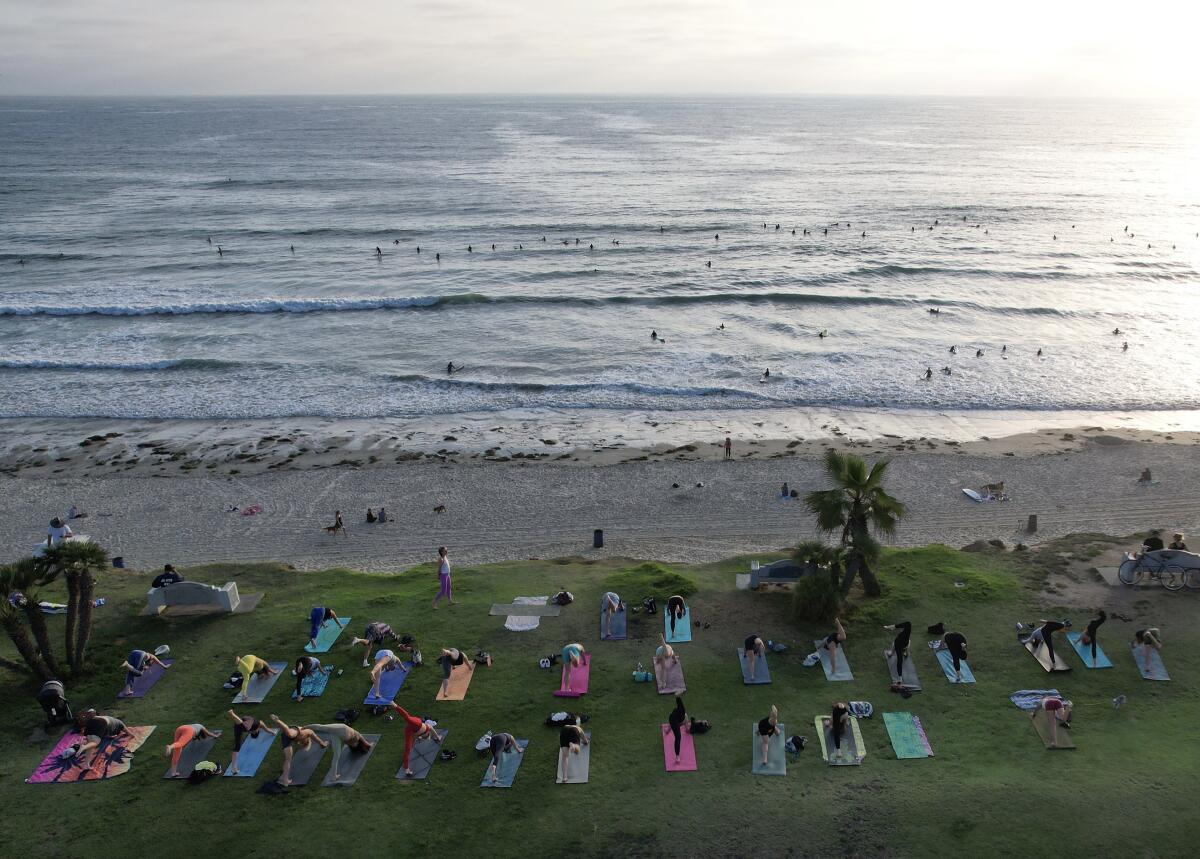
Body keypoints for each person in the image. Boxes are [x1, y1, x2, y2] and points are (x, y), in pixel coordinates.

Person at [270, 714, 326, 786]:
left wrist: (322, 744)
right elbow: (317, 739)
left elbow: (299, 741)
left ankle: (285, 780)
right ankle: (277, 720)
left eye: (302, 743)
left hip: (286, 737)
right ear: (307, 740)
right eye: (304, 743)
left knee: (288, 759)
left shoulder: (300, 740)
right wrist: (323, 743)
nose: (301, 743)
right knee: (290, 734)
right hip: (294, 730)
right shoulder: (308, 732)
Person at [307, 722, 374, 780]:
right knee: (322, 727)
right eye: (355, 745)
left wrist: (368, 744)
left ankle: (333, 776)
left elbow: (362, 742)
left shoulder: (355, 739)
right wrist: (369, 745)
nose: (353, 745)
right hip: (341, 731)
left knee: (336, 755)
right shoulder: (357, 736)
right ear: (359, 744)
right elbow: (364, 741)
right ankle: (334, 776)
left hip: (339, 732)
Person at [390, 704, 441, 777]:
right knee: (407, 718)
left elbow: (408, 749)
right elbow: (406, 716)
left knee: (408, 749)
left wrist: (436, 737)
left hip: (411, 731)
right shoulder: (425, 727)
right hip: (417, 724)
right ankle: (393, 704)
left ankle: (406, 769)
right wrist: (437, 737)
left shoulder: (413, 735)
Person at [226, 709, 277, 775]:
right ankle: (232, 714)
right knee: (242, 730)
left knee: (237, 745)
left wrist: (272, 732)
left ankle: (233, 768)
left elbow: (266, 729)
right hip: (247, 721)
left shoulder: (259, 724)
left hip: (243, 722)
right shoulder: (257, 724)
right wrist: (272, 732)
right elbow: (266, 729)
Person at [665, 696, 688, 764]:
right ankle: (677, 756)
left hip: (674, 716)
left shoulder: (684, 716)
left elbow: (687, 729)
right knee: (678, 737)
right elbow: (687, 729)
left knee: (681, 709)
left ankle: (678, 697)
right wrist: (668, 730)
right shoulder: (682, 718)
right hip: (673, 719)